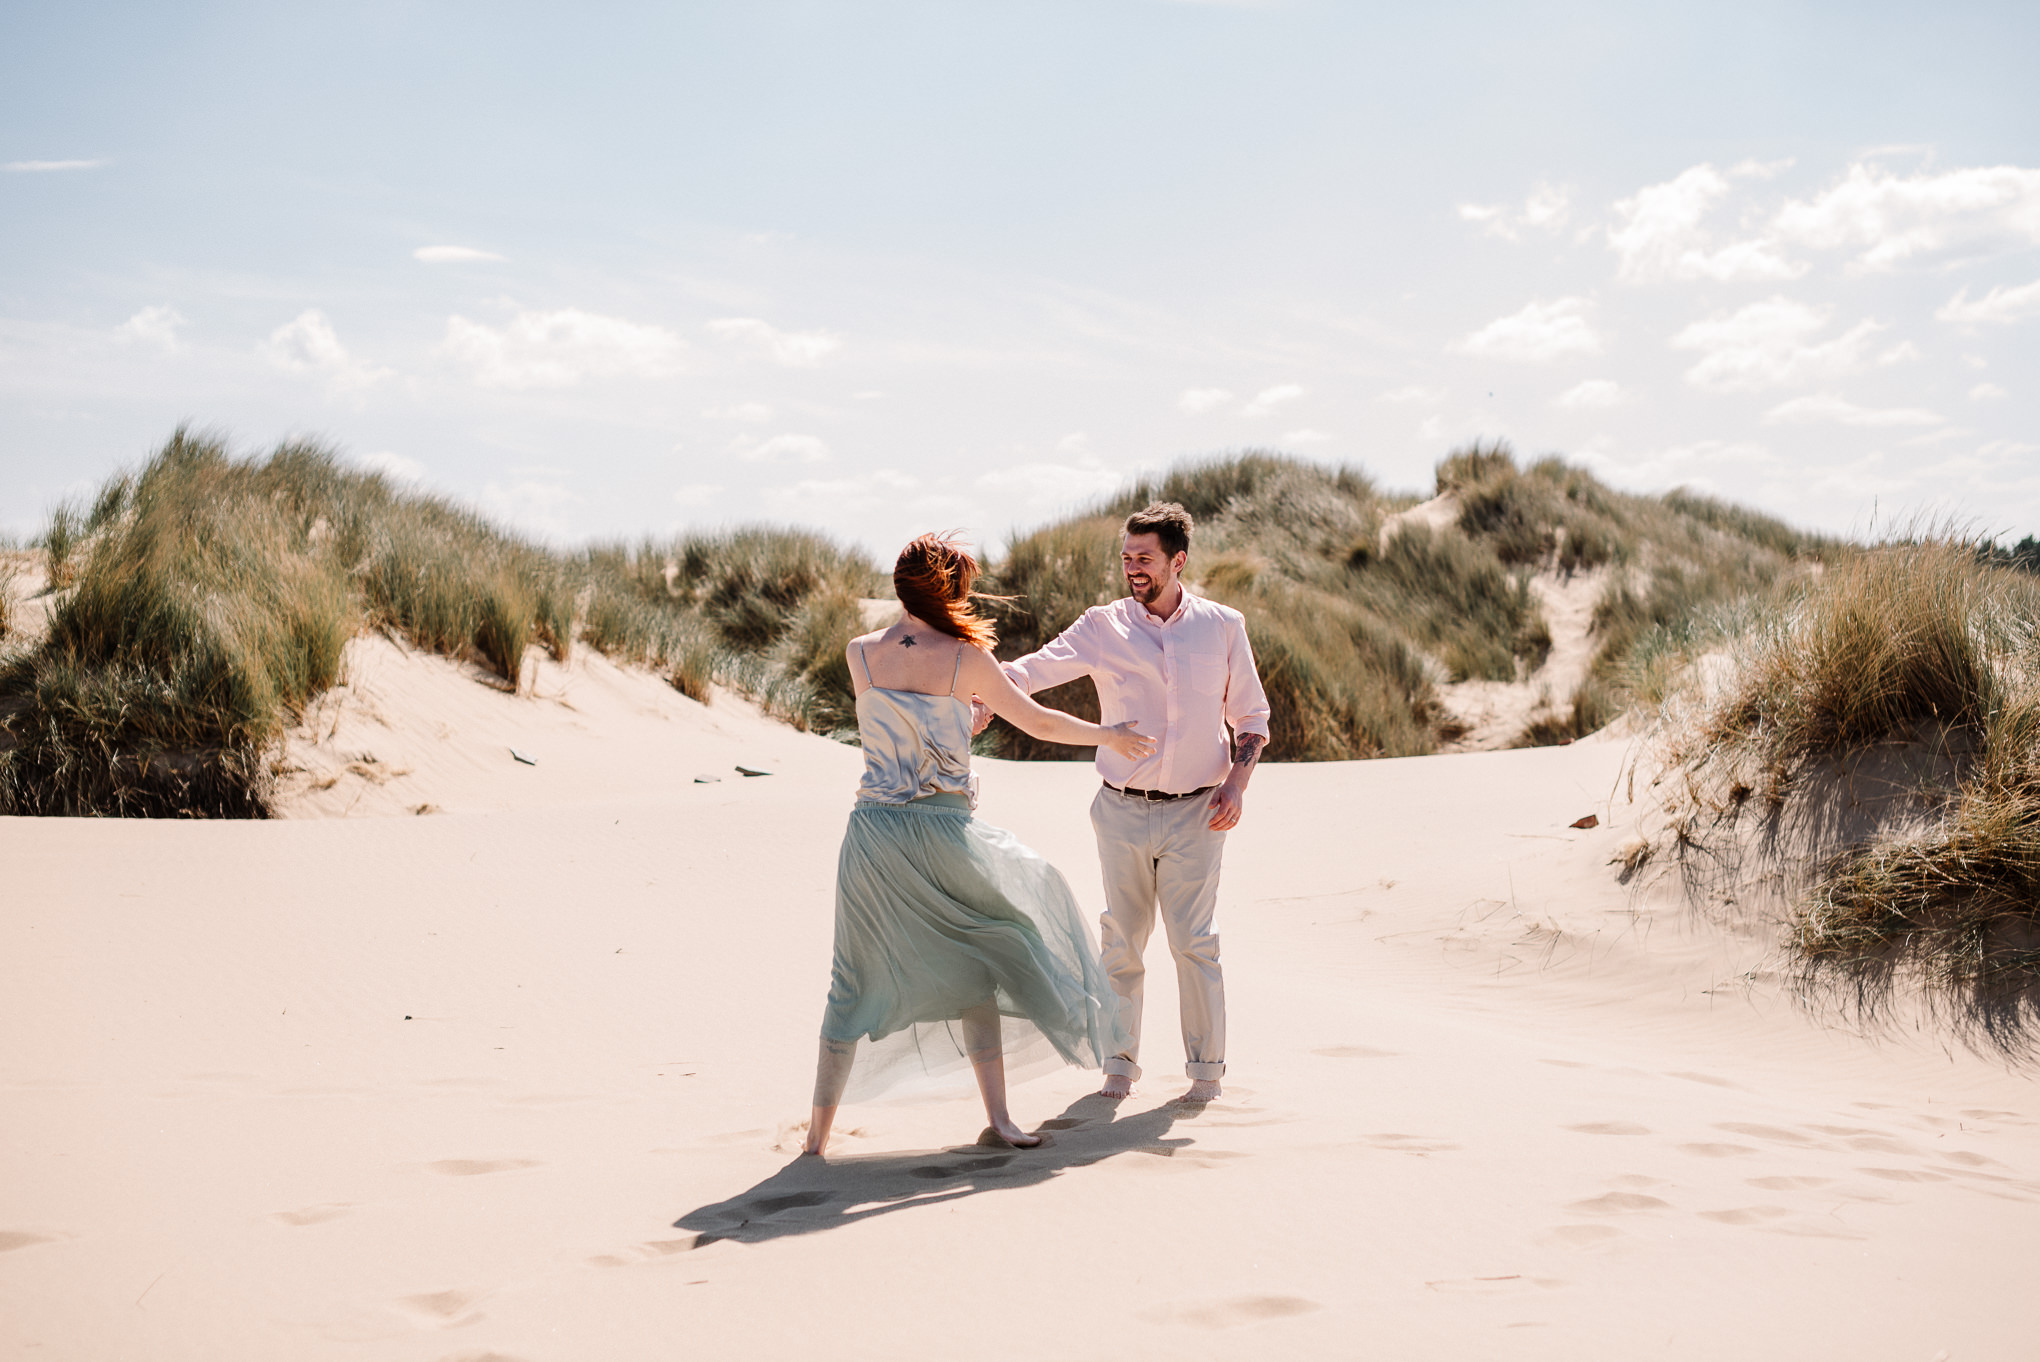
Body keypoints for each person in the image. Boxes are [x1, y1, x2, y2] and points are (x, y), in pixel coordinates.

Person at [803, 532, 1155, 1158]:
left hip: (871, 833)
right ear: (950, 590)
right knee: (994, 950)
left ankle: (815, 1140)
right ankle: (1001, 1119)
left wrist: (958, 723)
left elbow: (902, 721)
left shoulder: (860, 653)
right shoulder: (966, 658)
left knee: (849, 979)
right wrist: (1110, 734)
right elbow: (1038, 722)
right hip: (940, 831)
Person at [991, 502, 1270, 1104]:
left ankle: (1206, 1074)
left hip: (1199, 811)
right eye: (1127, 558)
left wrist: (1236, 784)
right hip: (1121, 809)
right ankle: (1119, 1066)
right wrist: (979, 692)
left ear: (1178, 560)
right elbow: (1031, 671)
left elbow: (1251, 717)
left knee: (1195, 941)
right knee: (1122, 940)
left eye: (1145, 558)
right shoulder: (1102, 625)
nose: (1133, 569)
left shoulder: (1222, 626)